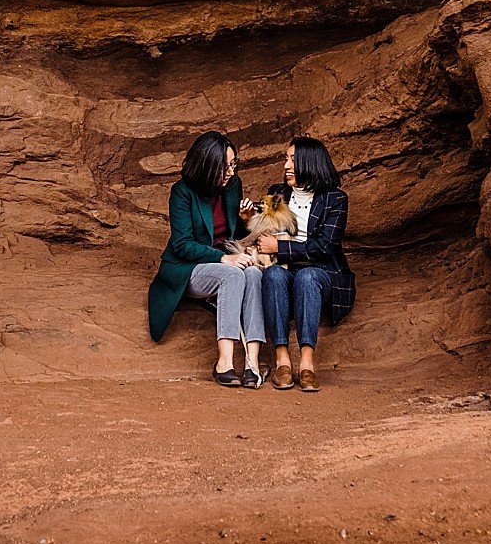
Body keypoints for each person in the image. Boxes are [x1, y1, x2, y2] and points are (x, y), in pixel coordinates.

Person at [146, 131, 270, 387]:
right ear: (206, 165)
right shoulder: (182, 192)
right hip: (189, 267)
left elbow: (233, 233)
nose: (231, 173)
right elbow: (182, 245)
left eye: (233, 164)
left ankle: (252, 364)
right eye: (224, 167)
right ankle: (224, 362)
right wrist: (224, 259)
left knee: (255, 273)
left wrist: (246, 221)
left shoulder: (233, 186)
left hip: (224, 260)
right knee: (234, 273)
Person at [259, 136, 350, 393]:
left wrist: (280, 247)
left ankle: (307, 361)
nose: (286, 165)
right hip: (285, 269)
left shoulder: (335, 199)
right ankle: (282, 360)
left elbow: (324, 247)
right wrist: (249, 219)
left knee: (307, 277)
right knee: (274, 275)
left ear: (309, 162)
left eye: (292, 160)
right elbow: (266, 231)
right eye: (286, 159)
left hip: (322, 271)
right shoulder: (277, 192)